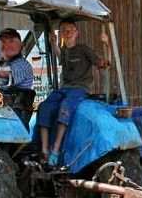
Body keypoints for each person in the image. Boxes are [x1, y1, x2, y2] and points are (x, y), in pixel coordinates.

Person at [37, 20, 108, 167]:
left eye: (70, 30)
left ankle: (56, 149)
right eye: (64, 31)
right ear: (61, 34)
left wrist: (107, 44)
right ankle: (44, 150)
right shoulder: (64, 50)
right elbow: (58, 55)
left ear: (76, 33)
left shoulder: (84, 49)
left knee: (65, 107)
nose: (68, 33)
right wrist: (53, 43)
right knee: (44, 107)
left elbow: (104, 64)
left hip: (79, 89)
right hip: (65, 88)